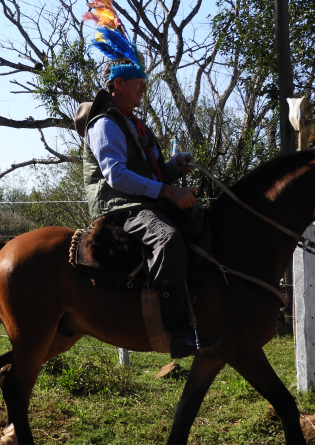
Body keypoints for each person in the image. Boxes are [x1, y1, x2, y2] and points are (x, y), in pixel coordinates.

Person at [74, 57, 219, 359]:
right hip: (121, 206)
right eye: (138, 81)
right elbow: (117, 175)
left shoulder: (134, 122)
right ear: (118, 84)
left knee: (201, 221)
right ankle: (177, 332)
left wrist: (172, 166)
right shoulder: (104, 124)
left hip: (145, 201)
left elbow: (148, 174)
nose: (145, 86)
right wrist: (168, 190)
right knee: (166, 238)